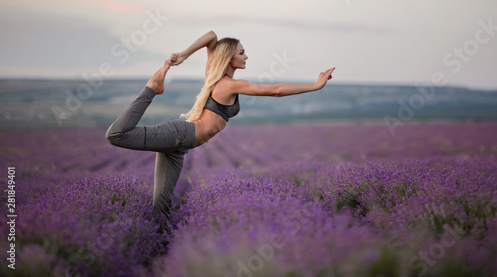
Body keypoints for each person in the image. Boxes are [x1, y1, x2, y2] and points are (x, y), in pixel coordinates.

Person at [105, 30, 335, 230]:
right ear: (229, 57)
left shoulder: (214, 74)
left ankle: (158, 244)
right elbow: (275, 90)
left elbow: (211, 37)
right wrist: (314, 86)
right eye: (242, 52)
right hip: (179, 134)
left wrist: (184, 54)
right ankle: (152, 88)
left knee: (161, 205)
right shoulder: (230, 84)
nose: (246, 56)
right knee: (116, 135)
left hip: (180, 146)